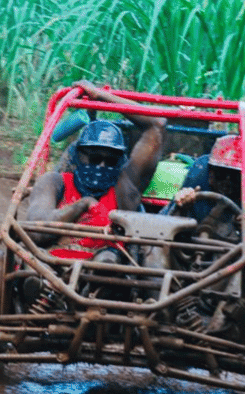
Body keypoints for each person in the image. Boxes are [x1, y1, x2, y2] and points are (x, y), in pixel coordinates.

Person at [25, 80, 167, 260]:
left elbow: (157, 125)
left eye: (110, 161)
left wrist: (101, 96)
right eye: (94, 158)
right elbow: (37, 232)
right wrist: (82, 204)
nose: (101, 166)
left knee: (108, 258)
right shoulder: (54, 182)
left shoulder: (123, 190)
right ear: (79, 155)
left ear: (119, 162)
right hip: (48, 265)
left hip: (104, 270)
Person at [169, 134, 245, 297]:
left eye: (235, 176)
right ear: (211, 172)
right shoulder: (197, 177)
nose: (227, 181)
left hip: (224, 259)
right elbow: (165, 222)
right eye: (222, 174)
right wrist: (181, 205)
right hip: (187, 252)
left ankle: (244, 299)